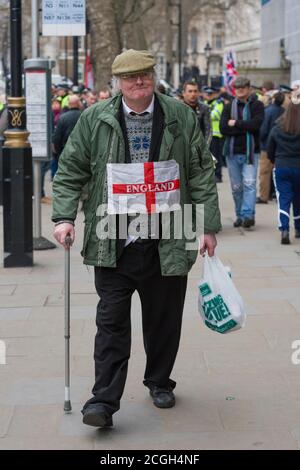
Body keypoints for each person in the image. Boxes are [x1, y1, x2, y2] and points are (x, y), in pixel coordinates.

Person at [52, 49, 221, 429]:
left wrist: (207, 226)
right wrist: (63, 216)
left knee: (163, 320)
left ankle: (159, 380)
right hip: (113, 238)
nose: (139, 82)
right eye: (130, 78)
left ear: (154, 77)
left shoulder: (179, 115)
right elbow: (71, 169)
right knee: (111, 321)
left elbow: (199, 172)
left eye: (145, 75)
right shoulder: (95, 118)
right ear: (117, 84)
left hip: (169, 236)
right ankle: (102, 401)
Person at [220, 76, 264, 228]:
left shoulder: (257, 105)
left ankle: (247, 216)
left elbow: (256, 125)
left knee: (250, 184)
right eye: (237, 88)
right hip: (232, 153)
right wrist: (245, 128)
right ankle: (239, 215)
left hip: (250, 153)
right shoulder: (228, 106)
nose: (240, 90)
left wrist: (236, 123)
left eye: (243, 88)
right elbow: (223, 128)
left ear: (249, 89)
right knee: (237, 187)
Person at [267, 90, 300, 245]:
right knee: (298, 199)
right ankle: (298, 228)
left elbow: (270, 150)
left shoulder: (277, 128)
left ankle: (285, 229)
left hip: (282, 166)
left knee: (284, 198)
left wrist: (275, 160)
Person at [257, 92, 285, 204]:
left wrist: (261, 140)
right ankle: (276, 194)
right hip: (282, 146)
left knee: (264, 173)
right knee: (279, 172)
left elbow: (263, 130)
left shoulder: (267, 111)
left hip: (267, 146)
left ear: (273, 99)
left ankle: (264, 196)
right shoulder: (284, 112)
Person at [203, 86, 225, 183]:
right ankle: (210, 175)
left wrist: (205, 114)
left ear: (215, 94)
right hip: (206, 135)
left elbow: (215, 115)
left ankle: (218, 175)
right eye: (207, 94)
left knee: (216, 156)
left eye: (210, 94)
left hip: (216, 134)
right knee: (208, 157)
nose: (208, 96)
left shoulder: (218, 103)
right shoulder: (204, 104)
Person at [182, 80, 212, 145]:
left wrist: (204, 148)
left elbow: (208, 130)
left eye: (195, 91)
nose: (193, 94)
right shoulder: (177, 108)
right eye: (190, 91)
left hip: (199, 148)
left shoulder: (204, 108)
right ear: (184, 93)